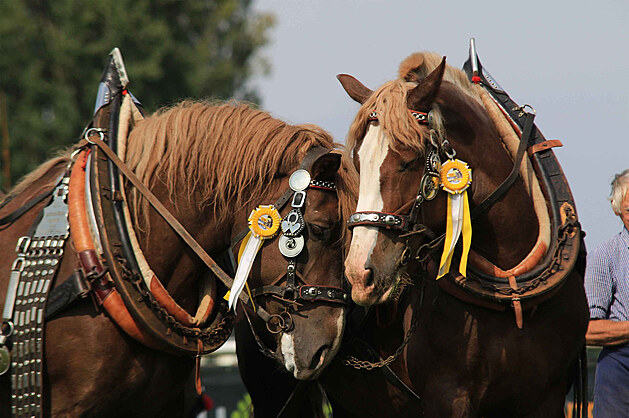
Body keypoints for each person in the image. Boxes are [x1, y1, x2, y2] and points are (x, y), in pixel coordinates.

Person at [585, 169, 629, 417]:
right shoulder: (605, 255)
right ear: (617, 210)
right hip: (621, 367)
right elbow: (589, 330)